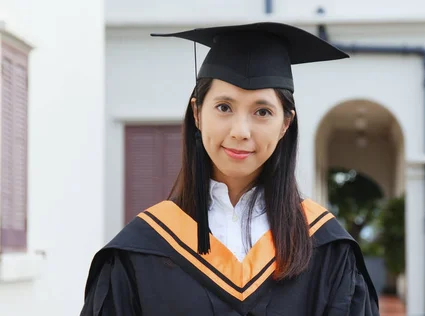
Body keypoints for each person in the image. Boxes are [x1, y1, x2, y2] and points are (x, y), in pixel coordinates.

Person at [80, 22, 380, 316]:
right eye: (224, 107)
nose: (240, 131)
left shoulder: (326, 246)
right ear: (197, 113)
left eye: (262, 112)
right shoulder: (141, 249)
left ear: (285, 124)